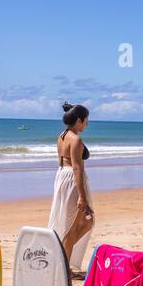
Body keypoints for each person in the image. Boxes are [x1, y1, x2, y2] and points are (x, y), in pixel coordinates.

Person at [48, 102, 94, 276]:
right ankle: (64, 267)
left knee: (78, 223)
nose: (87, 123)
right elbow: (77, 168)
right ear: (79, 120)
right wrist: (82, 196)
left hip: (61, 176)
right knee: (74, 225)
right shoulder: (76, 140)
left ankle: (63, 260)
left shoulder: (61, 136)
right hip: (72, 180)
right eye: (86, 119)